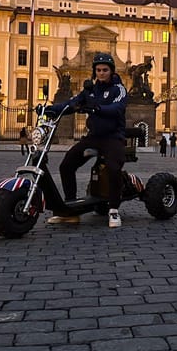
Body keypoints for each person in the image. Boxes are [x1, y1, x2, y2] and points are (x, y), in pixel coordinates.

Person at [41, 53, 127, 228]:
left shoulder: (119, 89)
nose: (101, 73)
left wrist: (97, 108)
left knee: (113, 168)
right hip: (93, 137)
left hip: (112, 137)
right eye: (98, 70)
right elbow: (72, 103)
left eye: (105, 70)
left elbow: (117, 107)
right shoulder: (90, 90)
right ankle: (70, 209)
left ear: (111, 71)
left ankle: (113, 209)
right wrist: (49, 109)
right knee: (66, 165)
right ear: (94, 72)